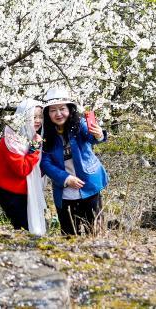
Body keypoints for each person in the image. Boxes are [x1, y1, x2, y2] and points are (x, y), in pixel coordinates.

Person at [40, 86, 108, 235]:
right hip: (64, 190)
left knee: (96, 231)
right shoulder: (45, 134)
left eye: (62, 108)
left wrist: (98, 135)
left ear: (70, 109)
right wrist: (66, 178)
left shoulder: (79, 124)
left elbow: (91, 137)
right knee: (69, 233)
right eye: (53, 110)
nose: (58, 114)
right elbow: (45, 162)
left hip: (89, 184)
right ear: (47, 113)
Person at [0, 98, 48, 235]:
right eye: (33, 117)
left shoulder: (32, 136)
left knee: (30, 232)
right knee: (25, 231)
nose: (38, 121)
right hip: (11, 193)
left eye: (40, 117)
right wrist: (34, 148)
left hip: (27, 192)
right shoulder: (11, 141)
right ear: (24, 117)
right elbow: (22, 169)